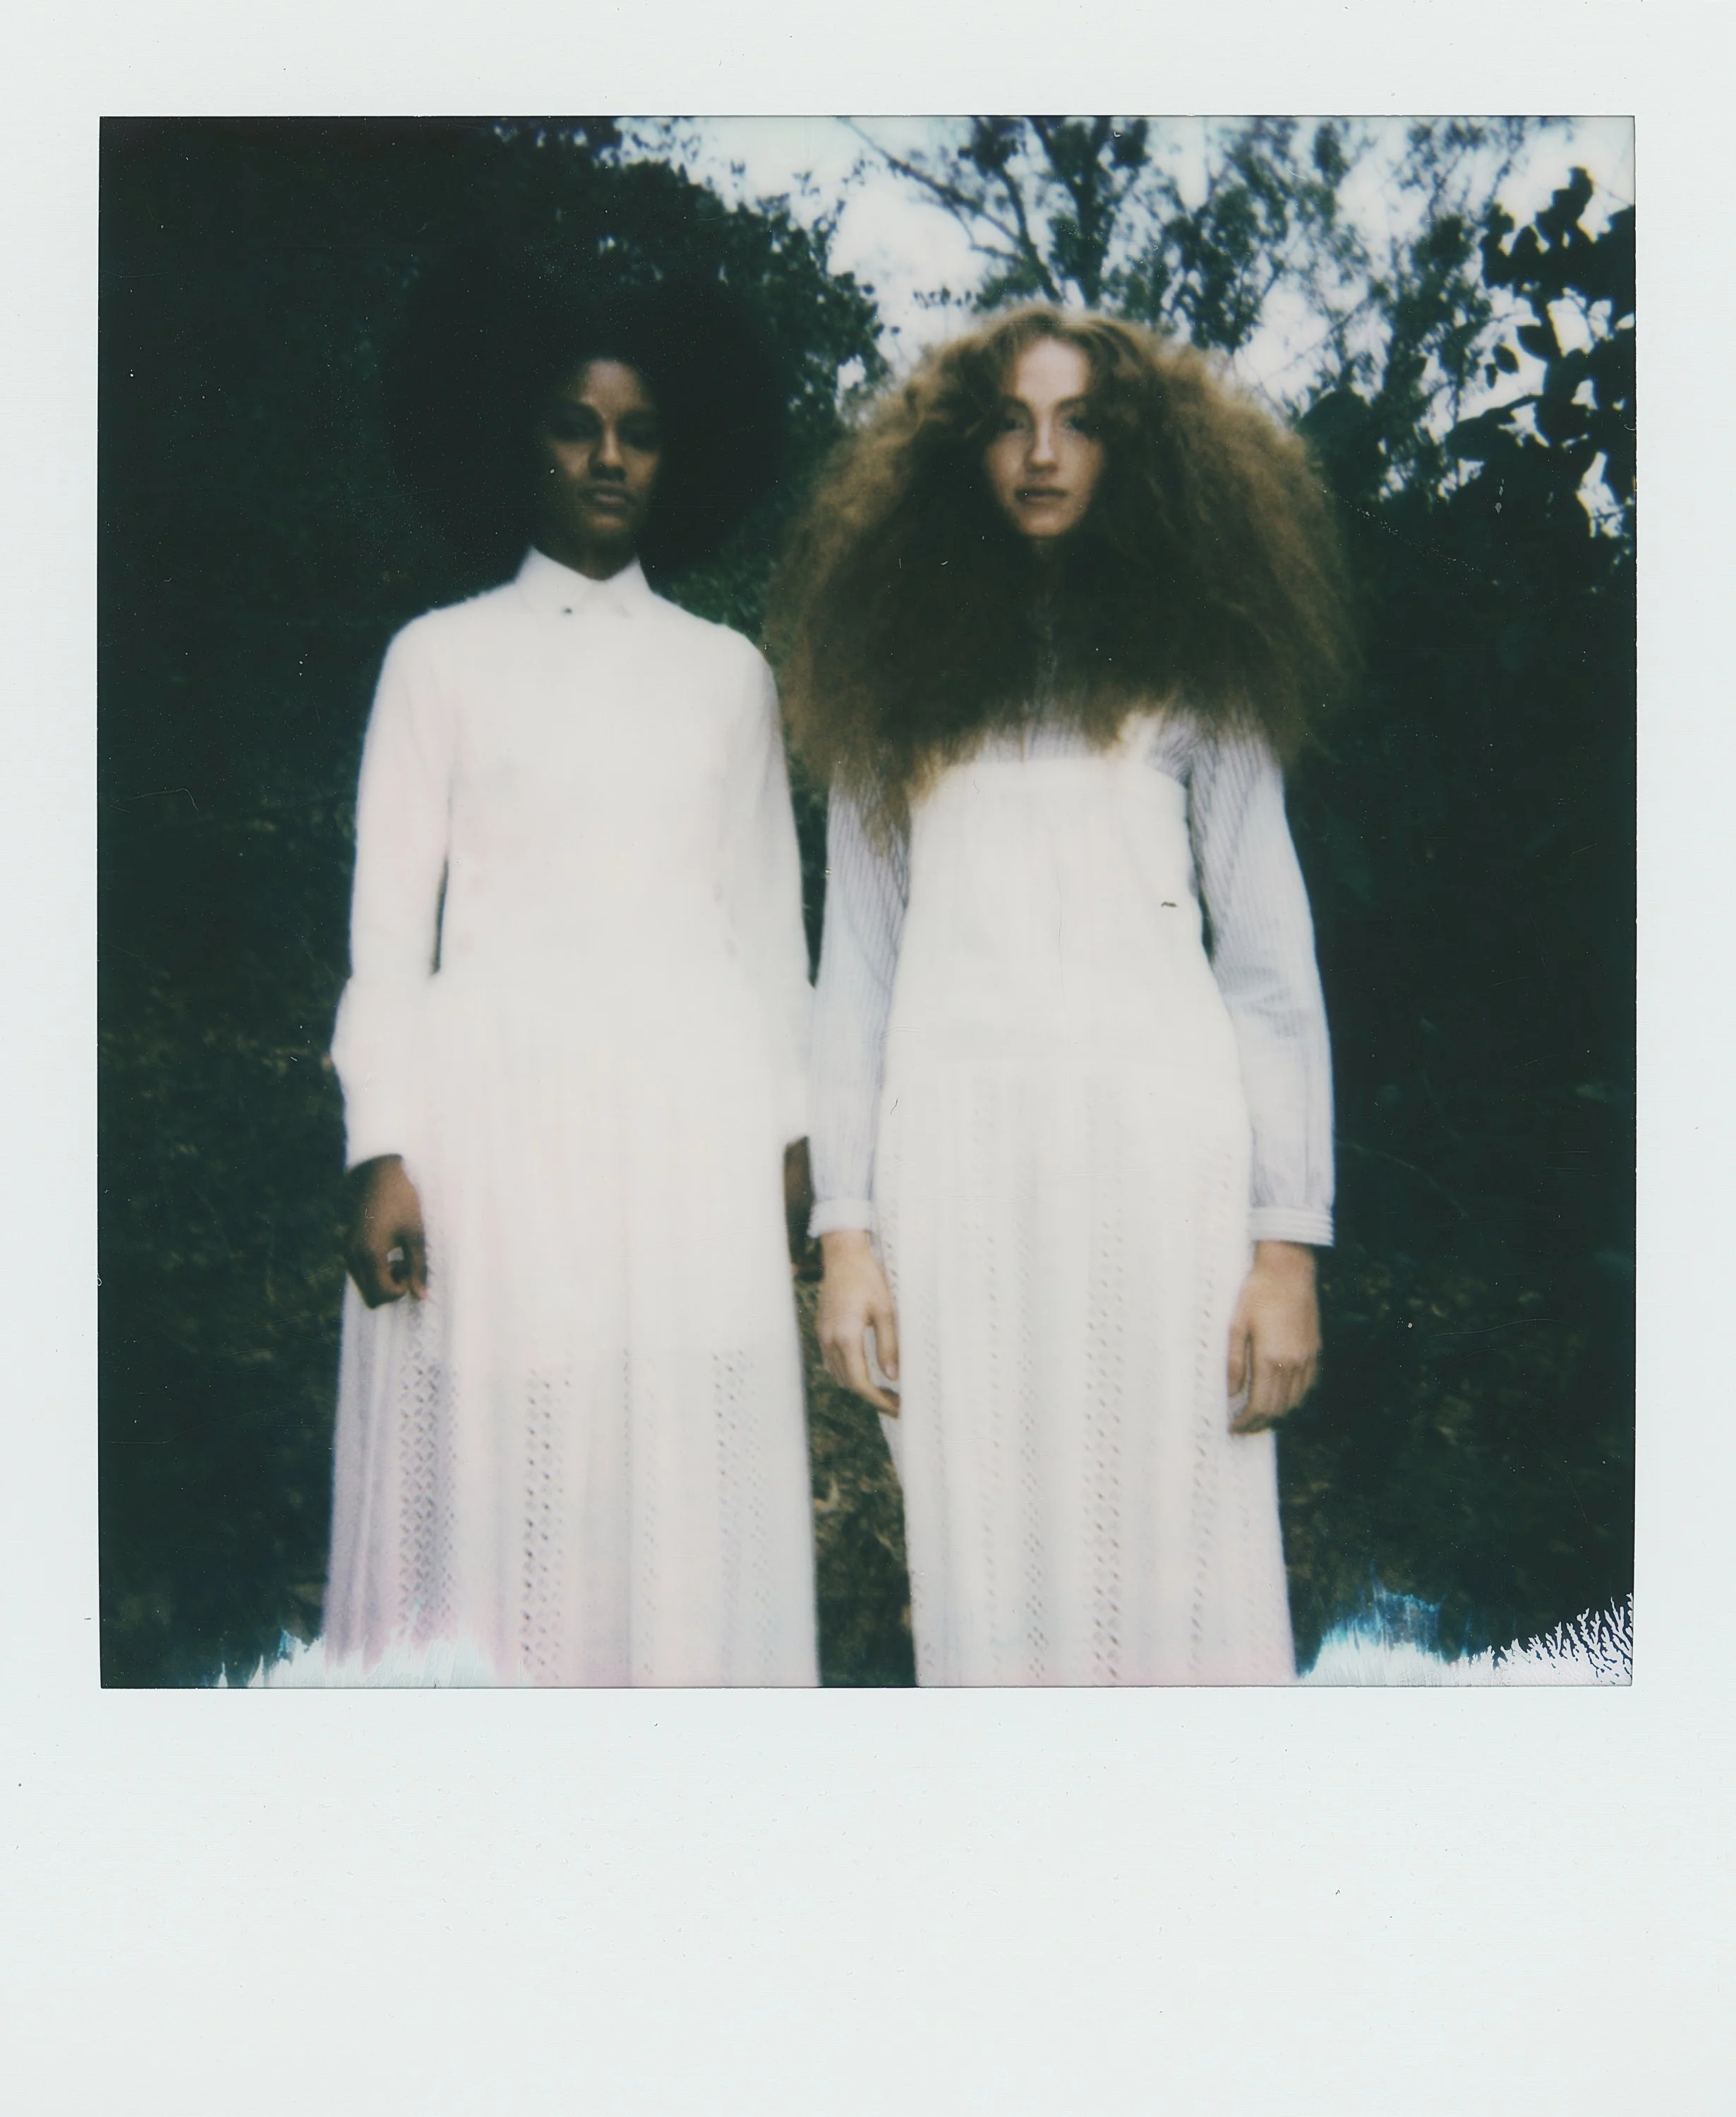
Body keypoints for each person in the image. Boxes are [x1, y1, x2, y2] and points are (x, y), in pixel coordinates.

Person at [771, 308, 1355, 1685]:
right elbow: (853, 969)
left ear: (1135, 455)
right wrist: (845, 1234)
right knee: (987, 1563)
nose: (1043, 454)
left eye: (1082, 420)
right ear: (956, 454)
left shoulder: (1197, 672)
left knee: (1176, 1558)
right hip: (955, 1173)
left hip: (1165, 1175)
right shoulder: (894, 687)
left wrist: (1285, 1248)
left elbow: (1269, 974)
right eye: (1010, 422)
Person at [323, 258, 819, 1684]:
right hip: (496, 1121)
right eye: (573, 424)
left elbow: (769, 925)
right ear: (516, 440)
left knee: (670, 1465)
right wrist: (382, 1146)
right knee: (501, 1456)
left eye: (641, 430)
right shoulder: (439, 660)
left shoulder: (730, 673)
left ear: (681, 454)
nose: (608, 456)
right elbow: (385, 936)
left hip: (687, 1125)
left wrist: (793, 1130)